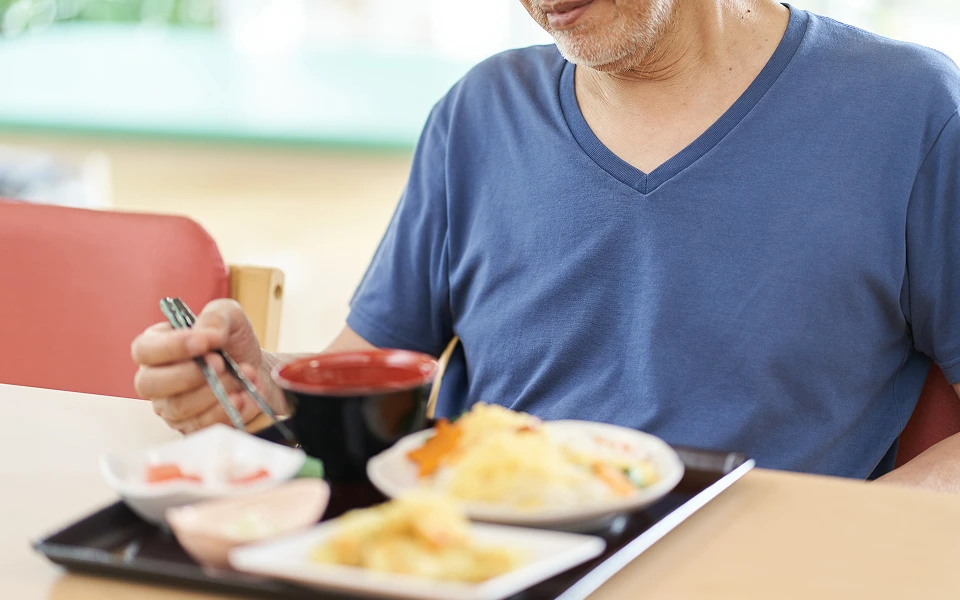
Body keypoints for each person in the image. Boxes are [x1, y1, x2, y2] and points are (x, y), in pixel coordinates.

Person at [131, 0, 960, 491]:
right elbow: (366, 391)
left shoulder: (910, 112)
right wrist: (257, 396)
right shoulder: (479, 113)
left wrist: (853, 536)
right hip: (472, 558)